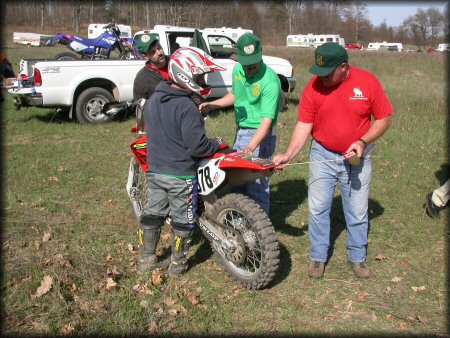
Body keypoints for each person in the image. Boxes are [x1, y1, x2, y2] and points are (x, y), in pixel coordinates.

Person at [273, 42, 393, 279]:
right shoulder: (314, 88)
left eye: (328, 73)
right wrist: (289, 154)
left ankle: (357, 257)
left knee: (358, 210)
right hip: (322, 154)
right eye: (320, 73)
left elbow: (384, 118)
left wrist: (362, 141)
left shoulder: (367, 83)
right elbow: (304, 124)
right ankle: (318, 256)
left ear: (344, 67)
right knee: (318, 207)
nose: (323, 78)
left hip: (356, 158)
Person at [137, 47, 226, 275]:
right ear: (186, 74)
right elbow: (197, 147)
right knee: (183, 221)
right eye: (199, 76)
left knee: (153, 216)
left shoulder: (154, 99)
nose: (202, 80)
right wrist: (216, 144)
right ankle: (178, 264)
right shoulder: (187, 107)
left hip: (155, 171)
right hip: (181, 175)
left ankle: (146, 259)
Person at [199, 33, 281, 216]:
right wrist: (213, 104)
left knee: (256, 185)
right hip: (242, 131)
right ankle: (240, 221)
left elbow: (266, 121)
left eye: (253, 65)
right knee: (237, 179)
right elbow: (235, 96)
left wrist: (251, 146)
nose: (250, 69)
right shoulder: (237, 71)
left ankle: (260, 230)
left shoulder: (270, 81)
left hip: (261, 134)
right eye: (246, 65)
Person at [133, 33, 169, 102]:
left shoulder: (175, 62)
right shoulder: (142, 79)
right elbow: (139, 107)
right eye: (153, 52)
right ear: (145, 56)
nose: (159, 53)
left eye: (159, 48)